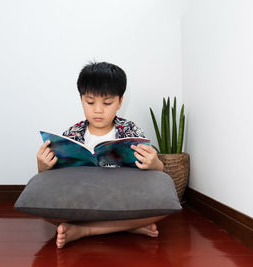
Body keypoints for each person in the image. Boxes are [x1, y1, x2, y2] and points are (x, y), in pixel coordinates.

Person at [36, 61, 165, 248]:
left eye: (107, 103)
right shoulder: (71, 135)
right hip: (82, 202)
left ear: (120, 102)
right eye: (90, 102)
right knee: (43, 203)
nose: (98, 110)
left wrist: (155, 164)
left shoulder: (130, 131)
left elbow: (156, 174)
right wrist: (42, 167)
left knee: (166, 203)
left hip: (121, 200)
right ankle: (129, 227)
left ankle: (84, 230)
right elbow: (54, 183)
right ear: (81, 99)